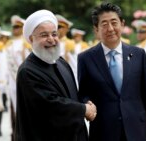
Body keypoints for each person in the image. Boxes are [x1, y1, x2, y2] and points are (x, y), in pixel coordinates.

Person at [78, 2, 146, 141]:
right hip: (104, 130)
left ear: (122, 24)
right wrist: (87, 104)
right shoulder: (86, 58)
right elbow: (83, 93)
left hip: (137, 130)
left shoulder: (138, 54)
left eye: (114, 22)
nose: (110, 28)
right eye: (104, 24)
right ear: (96, 29)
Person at [15, 9, 96, 141]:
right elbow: (50, 107)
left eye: (54, 34)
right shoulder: (28, 71)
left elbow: (71, 96)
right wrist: (83, 109)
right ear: (31, 39)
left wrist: (85, 103)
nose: (51, 39)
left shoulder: (61, 62)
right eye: (44, 35)